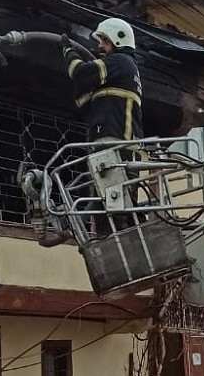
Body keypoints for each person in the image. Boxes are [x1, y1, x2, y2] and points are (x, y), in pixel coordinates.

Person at [62, 18, 145, 234]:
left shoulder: (122, 62)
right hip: (112, 153)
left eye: (105, 42)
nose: (100, 47)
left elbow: (81, 74)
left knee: (115, 211)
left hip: (116, 151)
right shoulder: (116, 75)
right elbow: (81, 103)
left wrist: (68, 51)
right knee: (110, 211)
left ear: (119, 41)